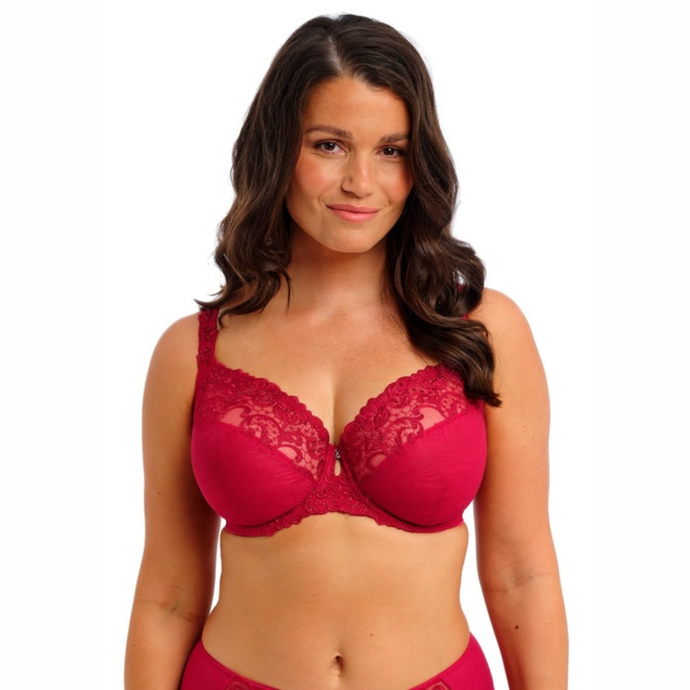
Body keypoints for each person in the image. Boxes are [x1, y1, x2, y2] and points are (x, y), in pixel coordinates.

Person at [125, 14, 567, 690]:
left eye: (391, 150)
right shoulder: (192, 352)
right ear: (278, 150)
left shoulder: (482, 330)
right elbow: (169, 596)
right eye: (329, 145)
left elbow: (521, 573)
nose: (361, 181)